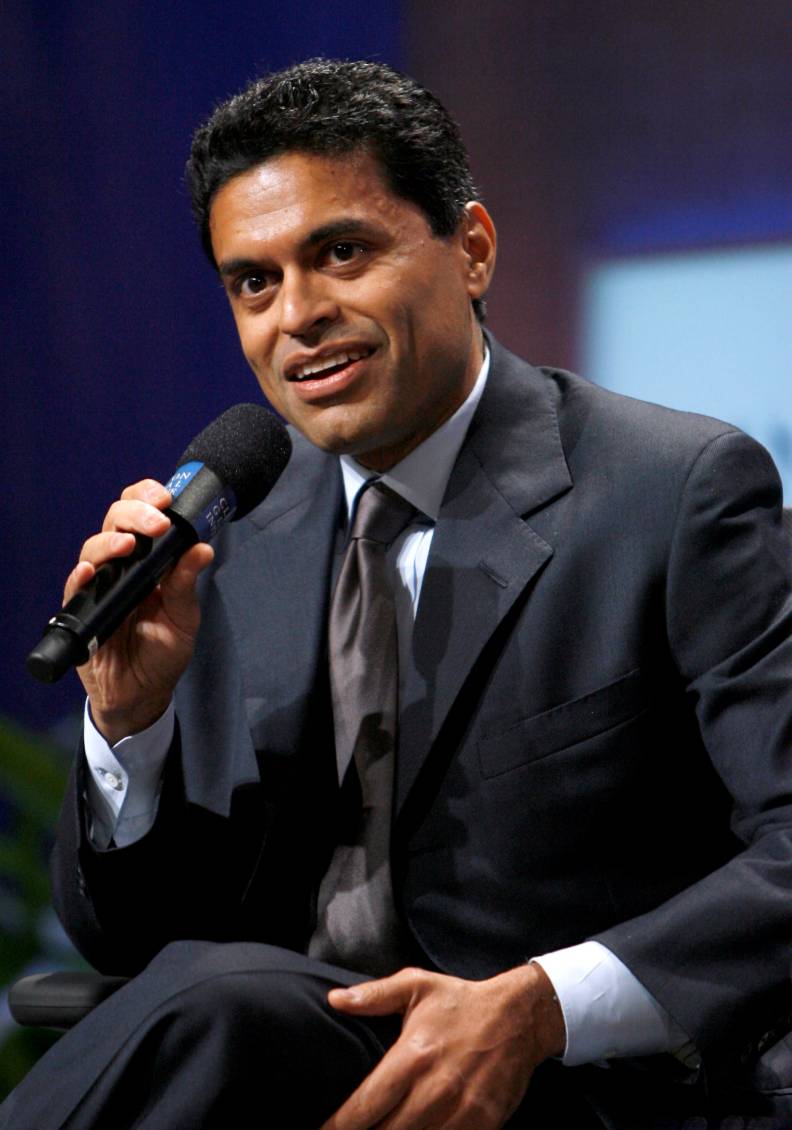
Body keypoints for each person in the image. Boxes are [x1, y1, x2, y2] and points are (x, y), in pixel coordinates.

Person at [3, 58, 792, 1129]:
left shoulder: (674, 489)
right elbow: (134, 946)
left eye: (342, 253)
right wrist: (128, 725)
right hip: (286, 1066)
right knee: (218, 997)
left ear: (472, 249)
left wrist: (539, 1007)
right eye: (254, 282)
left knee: (223, 1002)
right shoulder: (227, 538)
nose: (299, 315)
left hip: (578, 1086)